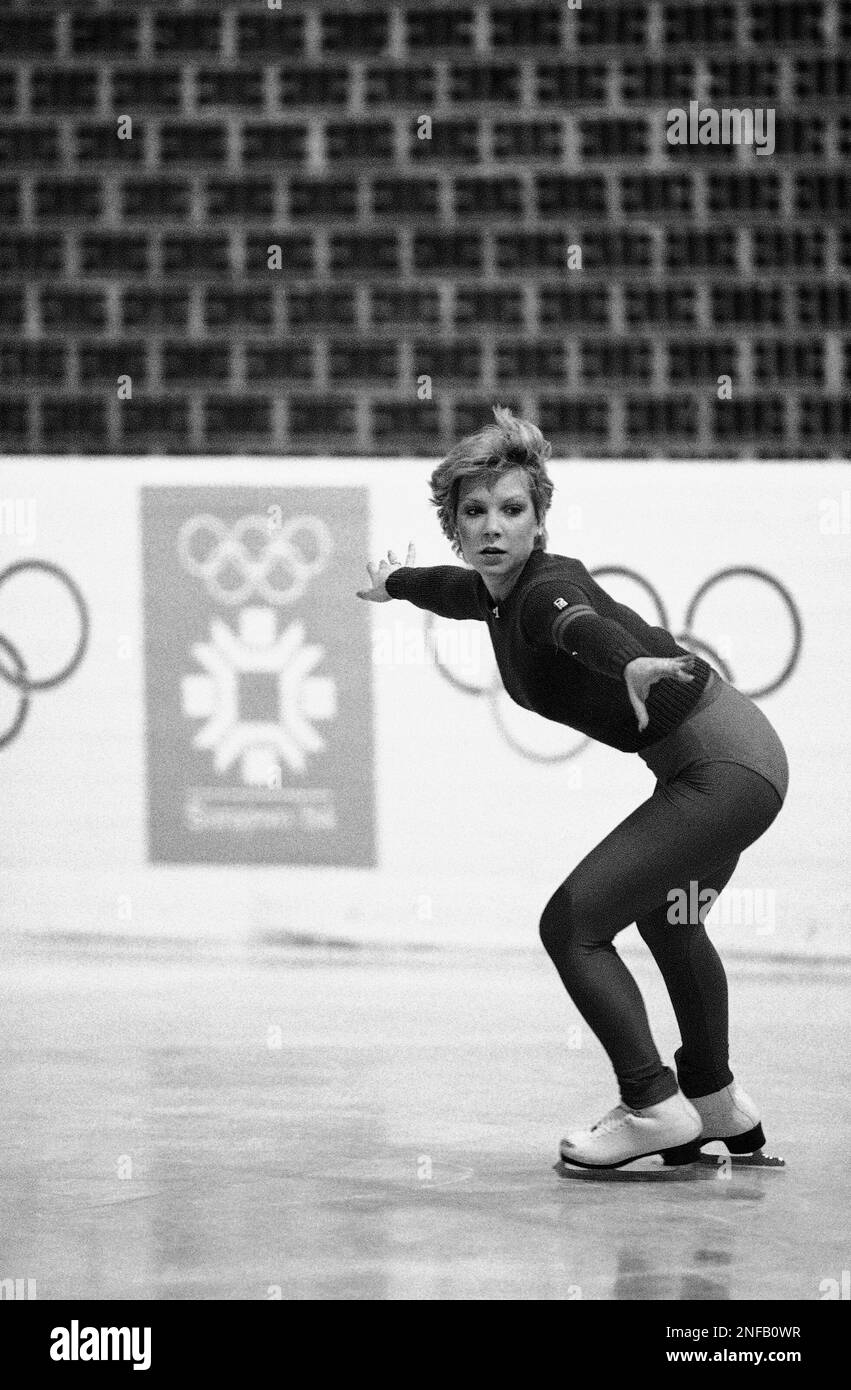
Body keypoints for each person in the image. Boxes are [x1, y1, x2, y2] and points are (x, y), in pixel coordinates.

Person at [356, 406, 789, 1170]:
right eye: (476, 512)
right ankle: (717, 1103)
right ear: (454, 525)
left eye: (513, 510)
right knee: (672, 923)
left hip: (721, 771)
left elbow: (573, 622)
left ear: (539, 518)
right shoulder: (490, 590)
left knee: (571, 927)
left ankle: (651, 1105)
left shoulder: (542, 589)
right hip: (739, 761)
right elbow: (446, 587)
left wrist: (622, 661)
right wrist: (394, 582)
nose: (494, 527)